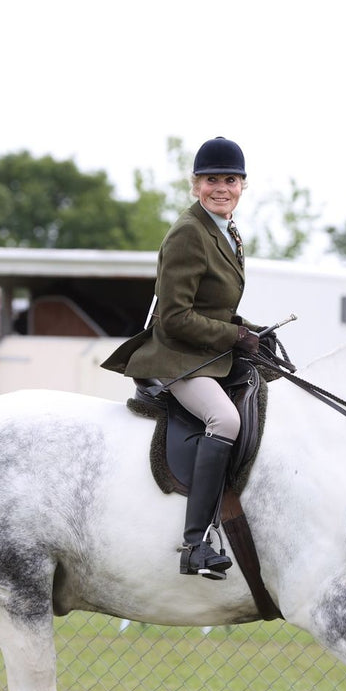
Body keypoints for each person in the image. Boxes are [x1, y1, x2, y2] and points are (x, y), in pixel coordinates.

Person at [101, 137, 263, 580]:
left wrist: (249, 330)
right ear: (195, 185)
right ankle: (195, 544)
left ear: (243, 186)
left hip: (209, 354)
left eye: (230, 180)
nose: (221, 187)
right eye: (212, 180)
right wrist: (234, 335)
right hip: (178, 358)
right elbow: (174, 318)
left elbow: (212, 305)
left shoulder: (227, 231)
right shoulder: (189, 232)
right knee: (225, 421)